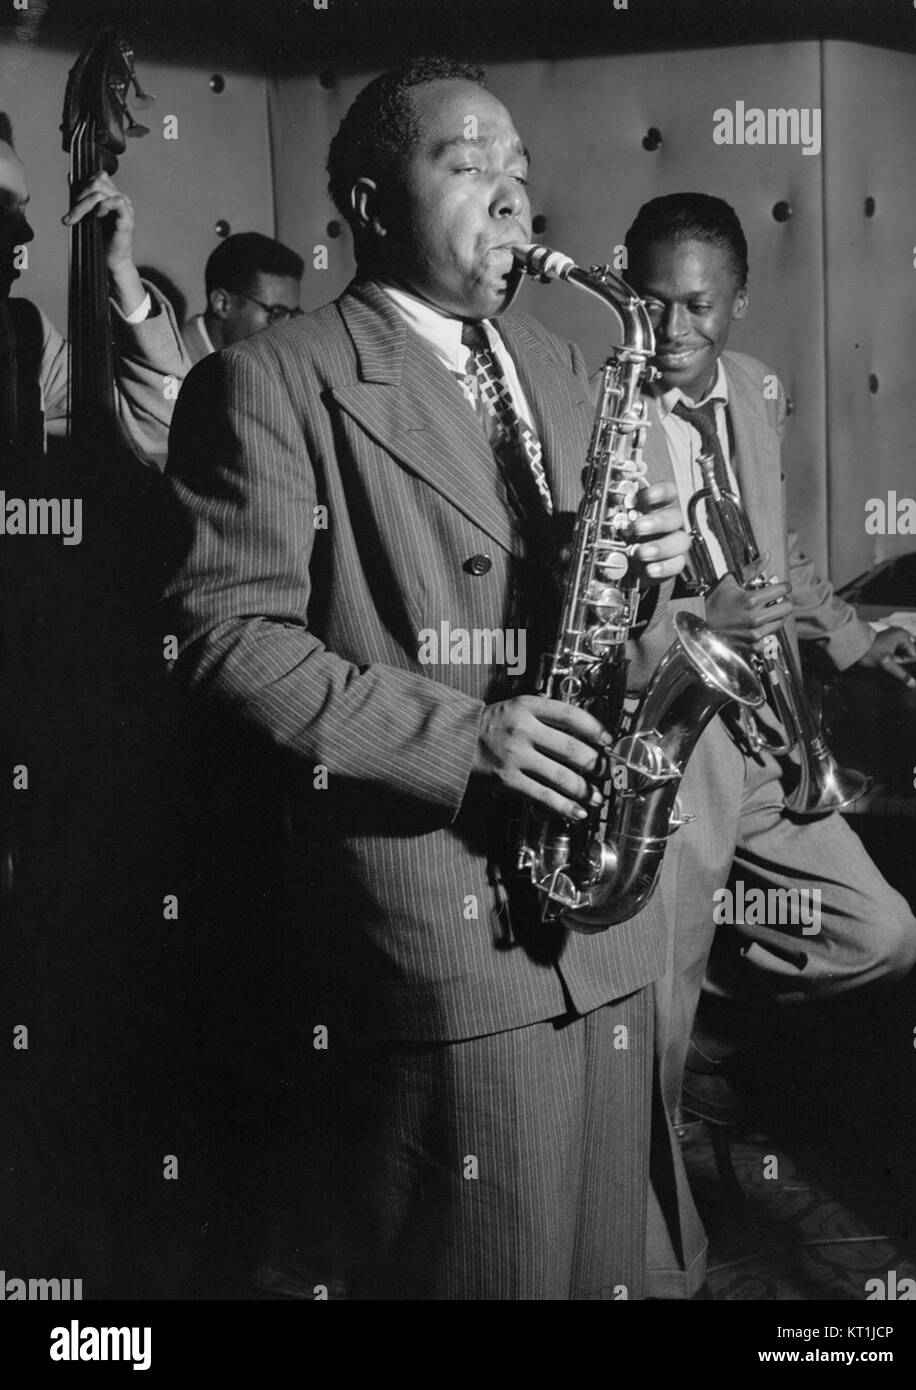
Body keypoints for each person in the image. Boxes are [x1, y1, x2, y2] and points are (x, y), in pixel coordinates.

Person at [162, 58, 693, 1301]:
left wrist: (654, 564)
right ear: (367, 203)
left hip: (607, 920)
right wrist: (466, 740)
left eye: (519, 174)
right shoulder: (267, 378)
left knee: (607, 1271)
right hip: (445, 917)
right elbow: (224, 640)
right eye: (467, 168)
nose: (512, 201)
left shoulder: (569, 371)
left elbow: (604, 615)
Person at [618, 192, 916, 1295]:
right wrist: (700, 626)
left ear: (737, 299)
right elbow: (582, 604)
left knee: (880, 934)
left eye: (697, 304)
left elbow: (773, 552)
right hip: (677, 744)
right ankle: (665, 1268)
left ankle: (706, 1046)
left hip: (765, 734)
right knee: (639, 1029)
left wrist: (846, 636)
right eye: (650, 301)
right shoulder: (598, 405)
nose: (672, 327)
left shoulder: (752, 389)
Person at [0, 111, 186, 473]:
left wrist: (119, 268)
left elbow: (160, 423)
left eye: (23, 208)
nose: (26, 233)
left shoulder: (23, 331)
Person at [180, 231, 303, 365]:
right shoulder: (171, 368)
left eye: (292, 315)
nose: (286, 332)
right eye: (276, 314)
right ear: (222, 304)